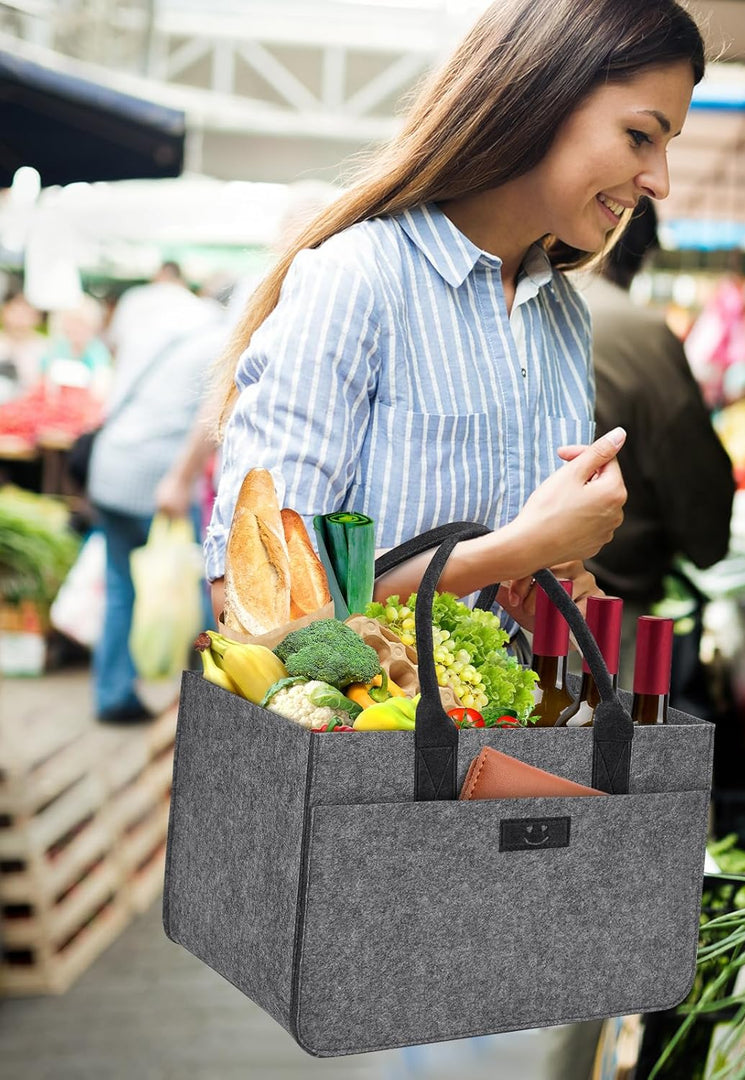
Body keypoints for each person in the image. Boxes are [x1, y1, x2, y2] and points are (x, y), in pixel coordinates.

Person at [205, 0, 706, 636]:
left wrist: (555, 587)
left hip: (499, 737)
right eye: (640, 136)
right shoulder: (358, 279)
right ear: (541, 97)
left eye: (666, 146)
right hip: (367, 736)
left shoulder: (564, 318)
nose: (659, 181)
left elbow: (518, 588)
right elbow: (257, 603)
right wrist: (513, 552)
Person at [576, 198, 735, 682]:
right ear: (642, 254)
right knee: (594, 747)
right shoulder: (639, 330)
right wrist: (709, 544)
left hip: (507, 587)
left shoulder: (538, 300)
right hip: (600, 606)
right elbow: (693, 469)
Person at [87, 263, 226, 723]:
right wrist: (181, 479)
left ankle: (113, 694)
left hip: (109, 466)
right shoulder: (214, 336)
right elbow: (210, 417)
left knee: (124, 587)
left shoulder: (142, 321)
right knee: (194, 588)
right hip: (157, 477)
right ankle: (203, 706)